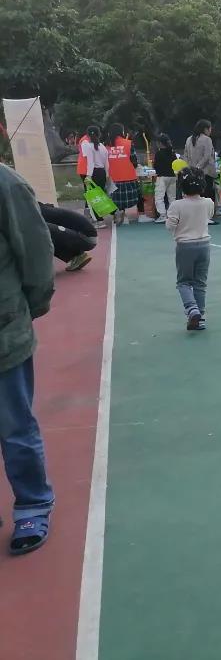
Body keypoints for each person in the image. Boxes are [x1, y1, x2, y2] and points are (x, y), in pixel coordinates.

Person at [0, 164, 56, 555]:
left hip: (3, 331)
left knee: (14, 425)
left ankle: (32, 503)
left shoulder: (6, 184)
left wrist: (26, 310)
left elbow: (36, 251)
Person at [166, 168, 215, 331]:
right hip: (204, 245)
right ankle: (200, 317)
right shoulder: (208, 202)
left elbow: (170, 226)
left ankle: (191, 309)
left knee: (184, 282)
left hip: (185, 246)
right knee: (200, 283)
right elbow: (209, 216)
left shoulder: (176, 205)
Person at [39, 203, 96, 272]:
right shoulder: (35, 207)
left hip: (86, 237)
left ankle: (39, 268)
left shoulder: (34, 212)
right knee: (44, 231)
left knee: (40, 230)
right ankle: (76, 257)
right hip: (86, 236)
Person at [184, 119, 219, 224]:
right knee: (207, 194)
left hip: (192, 171)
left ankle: (196, 216)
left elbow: (185, 155)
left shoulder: (189, 139)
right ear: (205, 129)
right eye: (210, 128)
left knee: (195, 194)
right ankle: (207, 217)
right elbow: (207, 156)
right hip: (205, 171)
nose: (211, 130)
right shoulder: (207, 139)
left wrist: (191, 168)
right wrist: (199, 167)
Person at [106, 123, 141, 224]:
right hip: (128, 176)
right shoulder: (128, 143)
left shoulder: (106, 145)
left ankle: (117, 212)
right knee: (129, 199)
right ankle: (124, 213)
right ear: (121, 132)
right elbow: (134, 161)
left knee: (115, 199)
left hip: (112, 178)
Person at [81, 126, 111, 229]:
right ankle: (113, 212)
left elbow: (90, 163)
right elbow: (106, 162)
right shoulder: (102, 146)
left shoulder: (89, 147)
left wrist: (88, 176)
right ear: (99, 134)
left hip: (94, 173)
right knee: (101, 195)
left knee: (94, 197)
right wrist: (107, 174)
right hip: (102, 172)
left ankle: (100, 221)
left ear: (88, 135)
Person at [152, 134, 178, 223]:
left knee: (159, 197)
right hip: (172, 177)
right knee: (172, 197)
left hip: (162, 177)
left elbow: (156, 166)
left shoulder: (159, 153)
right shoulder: (172, 152)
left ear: (160, 143)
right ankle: (173, 215)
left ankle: (162, 215)